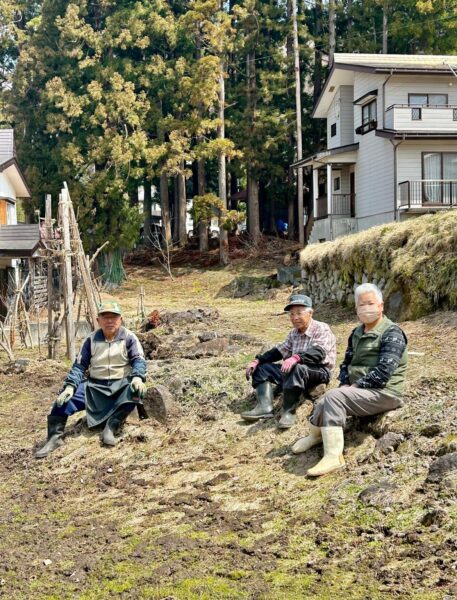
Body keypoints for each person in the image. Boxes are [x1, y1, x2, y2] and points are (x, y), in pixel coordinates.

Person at [292, 283, 408, 477]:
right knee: (326, 399)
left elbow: (384, 371)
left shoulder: (392, 333)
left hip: (385, 392)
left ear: (381, 306)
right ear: (356, 309)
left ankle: (334, 456)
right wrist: (346, 383)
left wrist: (355, 386)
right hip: (360, 390)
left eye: (370, 303)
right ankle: (315, 435)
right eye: (361, 305)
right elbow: (346, 363)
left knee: (334, 397)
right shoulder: (356, 333)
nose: (366, 308)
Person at [35, 301, 147, 458]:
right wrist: (69, 387)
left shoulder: (129, 338)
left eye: (113, 317)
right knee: (63, 401)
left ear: (120, 319)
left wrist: (137, 377)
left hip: (121, 384)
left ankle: (111, 427)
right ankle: (54, 437)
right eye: (105, 317)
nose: (109, 321)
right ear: (98, 320)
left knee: (136, 393)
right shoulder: (90, 340)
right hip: (95, 386)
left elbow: (139, 360)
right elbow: (79, 367)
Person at [242, 293, 336, 429]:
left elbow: (319, 353)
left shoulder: (321, 328)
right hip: (294, 371)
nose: (295, 318)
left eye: (299, 313)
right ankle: (265, 407)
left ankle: (288, 411)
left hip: (318, 371)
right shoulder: (293, 333)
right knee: (262, 368)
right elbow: (279, 351)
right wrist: (257, 361)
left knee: (297, 367)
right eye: (291, 314)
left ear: (310, 313)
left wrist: (296, 358)